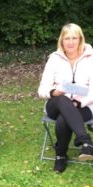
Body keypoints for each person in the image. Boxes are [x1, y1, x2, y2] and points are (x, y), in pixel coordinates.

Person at [38, 23, 93, 173]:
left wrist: (78, 101)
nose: (70, 42)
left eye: (74, 38)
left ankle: (60, 156)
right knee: (62, 100)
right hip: (55, 103)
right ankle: (85, 140)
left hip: (85, 106)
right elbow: (42, 89)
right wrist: (53, 92)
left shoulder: (91, 58)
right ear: (61, 40)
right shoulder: (54, 59)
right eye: (66, 38)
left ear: (80, 39)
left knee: (64, 118)